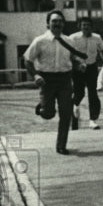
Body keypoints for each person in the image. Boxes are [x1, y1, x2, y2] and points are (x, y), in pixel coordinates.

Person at [23, 9, 88, 155]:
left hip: (65, 79)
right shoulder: (40, 41)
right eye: (54, 21)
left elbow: (73, 58)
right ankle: (43, 107)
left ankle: (61, 145)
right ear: (48, 24)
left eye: (59, 21)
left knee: (66, 114)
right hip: (46, 80)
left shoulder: (69, 41)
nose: (57, 24)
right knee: (48, 114)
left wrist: (79, 65)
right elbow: (27, 60)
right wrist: (35, 76)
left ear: (63, 24)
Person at [68, 16, 103, 130]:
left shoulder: (97, 38)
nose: (86, 27)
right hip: (78, 68)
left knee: (93, 94)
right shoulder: (73, 38)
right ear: (79, 26)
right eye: (83, 25)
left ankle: (92, 120)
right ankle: (75, 109)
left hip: (91, 67)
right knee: (79, 93)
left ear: (91, 27)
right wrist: (76, 64)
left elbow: (102, 51)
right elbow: (69, 54)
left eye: (88, 25)